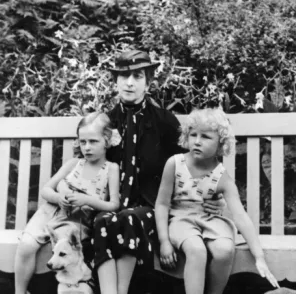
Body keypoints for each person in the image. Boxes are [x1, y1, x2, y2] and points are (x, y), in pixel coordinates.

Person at [92, 50, 227, 294]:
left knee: (129, 218)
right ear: (115, 81)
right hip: (111, 204)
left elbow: (191, 165)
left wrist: (214, 197)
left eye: (138, 76)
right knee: (103, 220)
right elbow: (88, 165)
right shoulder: (106, 122)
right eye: (123, 76)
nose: (130, 82)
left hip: (153, 209)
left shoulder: (164, 121)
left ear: (148, 81)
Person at [155, 108, 280, 294]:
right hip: (181, 218)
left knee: (224, 250)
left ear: (221, 144)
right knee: (196, 249)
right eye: (193, 135)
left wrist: (259, 256)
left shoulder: (222, 178)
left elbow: (240, 217)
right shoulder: (175, 164)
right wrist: (164, 240)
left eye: (205, 137)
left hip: (211, 219)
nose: (197, 141)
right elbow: (162, 204)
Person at [14, 112, 120, 294]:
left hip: (75, 221)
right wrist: (58, 197)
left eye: (93, 141)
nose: (87, 147)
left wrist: (87, 200)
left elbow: (114, 205)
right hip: (49, 212)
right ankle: (19, 291)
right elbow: (46, 189)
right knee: (26, 244)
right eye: (83, 141)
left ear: (107, 141)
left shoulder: (111, 169)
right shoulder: (73, 164)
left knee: (63, 246)